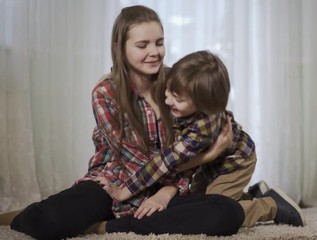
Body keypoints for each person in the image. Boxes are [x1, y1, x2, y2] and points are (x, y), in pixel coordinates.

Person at [0, 5, 244, 239]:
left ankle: (111, 227)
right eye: (142, 45)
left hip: (164, 188)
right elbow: (136, 159)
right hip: (115, 183)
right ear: (119, 48)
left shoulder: (177, 83)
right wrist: (206, 158)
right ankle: (28, 217)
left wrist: (166, 193)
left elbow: (192, 141)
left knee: (227, 212)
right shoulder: (105, 92)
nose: (154, 52)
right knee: (50, 221)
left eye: (159, 43)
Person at [98, 50, 306, 228]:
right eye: (169, 90)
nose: (167, 100)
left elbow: (165, 163)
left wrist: (125, 191)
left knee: (215, 210)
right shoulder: (189, 101)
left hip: (234, 163)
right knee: (192, 203)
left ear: (202, 103)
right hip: (208, 164)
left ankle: (269, 206)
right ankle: (253, 194)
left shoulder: (201, 129)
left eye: (177, 99)